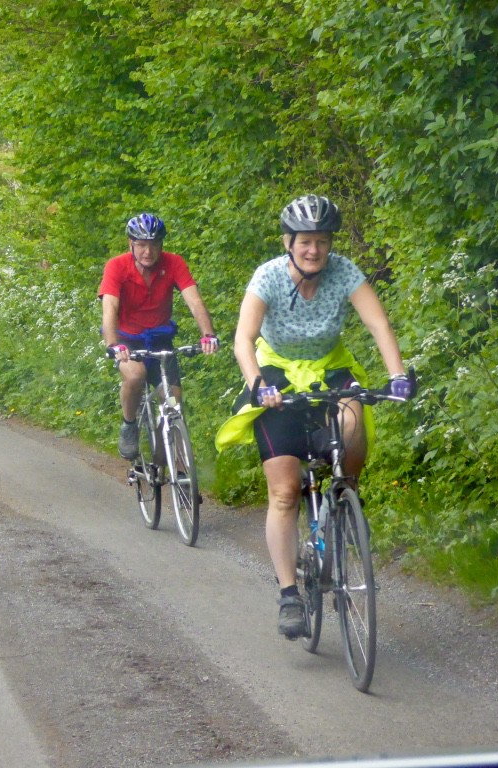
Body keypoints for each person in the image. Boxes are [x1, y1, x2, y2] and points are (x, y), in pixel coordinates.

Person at [216, 194, 412, 640]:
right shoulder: (266, 276)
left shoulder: (343, 272)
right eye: (305, 241)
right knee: (284, 490)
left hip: (329, 368)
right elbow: (243, 339)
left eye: (321, 241)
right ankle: (289, 594)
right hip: (277, 376)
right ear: (289, 241)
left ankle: (346, 493)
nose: (314, 250)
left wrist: (397, 375)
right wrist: (257, 385)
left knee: (352, 421)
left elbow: (378, 324)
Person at [99, 212, 219, 461]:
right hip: (127, 339)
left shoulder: (173, 263)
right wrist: (113, 343)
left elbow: (194, 301)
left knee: (173, 402)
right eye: (141, 244)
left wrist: (208, 335)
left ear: (162, 244)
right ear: (131, 244)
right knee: (135, 375)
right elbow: (109, 307)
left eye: (154, 244)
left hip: (160, 337)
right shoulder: (117, 266)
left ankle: (177, 465)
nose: (148, 251)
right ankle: (129, 424)